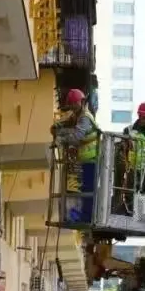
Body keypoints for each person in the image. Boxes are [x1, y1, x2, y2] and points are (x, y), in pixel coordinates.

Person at [52, 89, 100, 222]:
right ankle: (83, 217)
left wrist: (61, 139)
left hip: (93, 159)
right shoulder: (77, 116)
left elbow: (77, 136)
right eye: (71, 105)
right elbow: (67, 123)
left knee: (89, 190)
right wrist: (57, 127)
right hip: (86, 159)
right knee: (84, 189)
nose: (73, 107)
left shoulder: (85, 117)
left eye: (74, 104)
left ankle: (87, 218)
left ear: (82, 102)